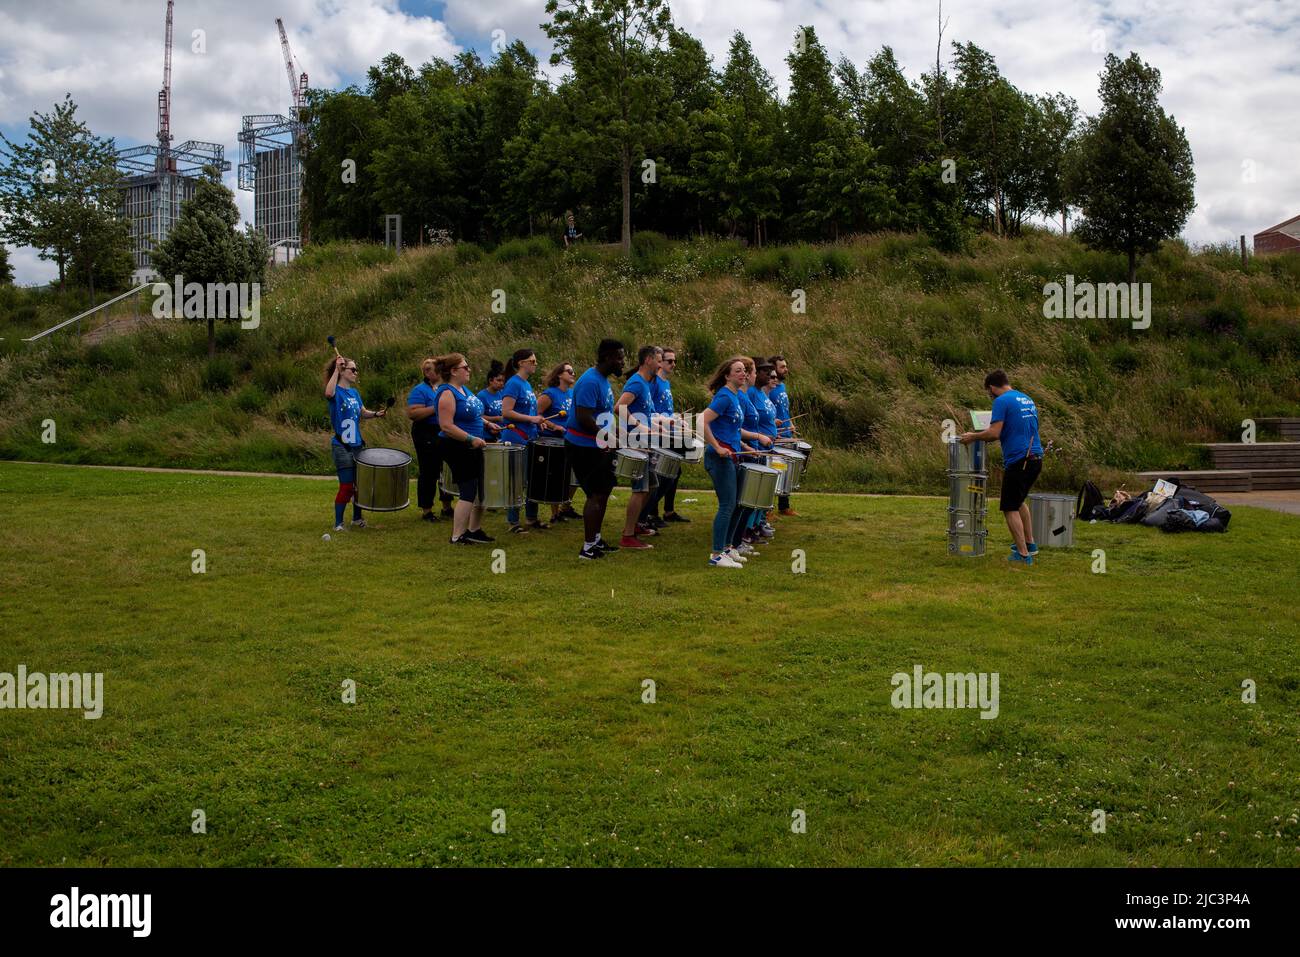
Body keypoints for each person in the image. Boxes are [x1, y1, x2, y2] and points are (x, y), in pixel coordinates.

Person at [960, 369, 1043, 565]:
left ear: (991, 388)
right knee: (1019, 500)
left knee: (1009, 506)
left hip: (1019, 460)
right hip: (1036, 457)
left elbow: (994, 433)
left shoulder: (1001, 401)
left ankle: (1023, 555)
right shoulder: (1026, 398)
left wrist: (973, 436)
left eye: (988, 392)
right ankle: (1030, 544)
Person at [564, 339, 625, 560]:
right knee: (596, 494)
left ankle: (596, 539)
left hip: (596, 444)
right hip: (583, 446)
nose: (622, 362)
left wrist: (613, 434)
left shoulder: (602, 380)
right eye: (619, 358)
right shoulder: (590, 381)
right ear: (608, 358)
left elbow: (601, 415)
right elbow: (583, 418)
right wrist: (607, 437)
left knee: (603, 492)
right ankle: (588, 548)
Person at [699, 356, 756, 568]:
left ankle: (727, 547)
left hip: (734, 456)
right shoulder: (724, 396)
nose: (744, 374)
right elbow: (702, 420)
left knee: (738, 504)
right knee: (727, 505)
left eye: (744, 371)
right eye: (738, 371)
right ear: (727, 375)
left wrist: (747, 447)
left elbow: (733, 428)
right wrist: (716, 446)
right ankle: (716, 554)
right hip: (720, 458)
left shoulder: (735, 397)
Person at [500, 348, 561, 533]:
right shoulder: (513, 384)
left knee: (533, 479)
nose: (535, 364)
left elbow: (529, 412)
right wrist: (531, 419)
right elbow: (506, 412)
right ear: (521, 363)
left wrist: (538, 422)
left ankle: (531, 518)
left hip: (530, 435)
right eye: (532, 361)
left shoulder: (525, 384)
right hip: (516, 437)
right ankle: (513, 522)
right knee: (517, 480)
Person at [324, 355, 386, 532]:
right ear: (343, 371)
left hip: (358, 445)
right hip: (341, 446)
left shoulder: (354, 393)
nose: (356, 373)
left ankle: (357, 519)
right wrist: (336, 369)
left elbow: (362, 412)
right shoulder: (336, 391)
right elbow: (328, 393)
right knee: (346, 486)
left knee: (360, 485)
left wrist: (375, 414)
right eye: (353, 369)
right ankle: (338, 524)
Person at [436, 353, 492, 545]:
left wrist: (486, 423)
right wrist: (470, 439)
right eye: (465, 367)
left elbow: (472, 412)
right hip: (457, 445)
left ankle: (474, 530)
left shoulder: (463, 390)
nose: (469, 370)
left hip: (472, 444)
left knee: (479, 489)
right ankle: (457, 535)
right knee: (468, 489)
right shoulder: (446, 393)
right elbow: (446, 426)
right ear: (453, 371)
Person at [615, 345, 663, 550]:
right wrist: (639, 425)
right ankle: (628, 535)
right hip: (635, 443)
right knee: (640, 489)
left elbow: (647, 412)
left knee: (652, 486)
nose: (661, 365)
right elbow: (619, 407)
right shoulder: (636, 382)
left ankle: (635, 525)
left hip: (644, 442)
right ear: (648, 360)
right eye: (659, 360)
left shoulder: (644, 384)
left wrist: (665, 422)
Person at [641, 346, 687, 528]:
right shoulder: (653, 383)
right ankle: (651, 513)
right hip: (657, 432)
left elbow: (665, 410)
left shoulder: (665, 383)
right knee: (661, 471)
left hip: (668, 430)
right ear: (659, 363)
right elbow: (650, 410)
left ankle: (667, 510)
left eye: (674, 361)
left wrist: (675, 418)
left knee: (673, 471)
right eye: (669, 361)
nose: (673, 364)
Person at [407, 356, 454, 523]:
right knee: (429, 470)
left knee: (445, 469)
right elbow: (413, 413)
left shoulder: (445, 388)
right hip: (425, 432)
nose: (429, 372)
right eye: (426, 369)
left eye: (432, 368)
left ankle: (447, 507)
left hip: (443, 429)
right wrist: (436, 408)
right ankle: (427, 510)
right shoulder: (420, 390)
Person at [538, 362, 580, 523]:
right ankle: (555, 513)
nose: (573, 374)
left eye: (573, 371)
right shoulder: (549, 394)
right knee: (556, 476)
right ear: (559, 375)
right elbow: (537, 415)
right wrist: (554, 426)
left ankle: (565, 506)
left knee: (574, 476)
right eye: (569, 371)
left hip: (569, 439)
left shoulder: (571, 394)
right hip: (552, 440)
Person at [769, 354, 798, 517]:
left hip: (786, 433)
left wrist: (790, 424)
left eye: (786, 366)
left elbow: (784, 409)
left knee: (786, 470)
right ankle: (768, 508)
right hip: (776, 435)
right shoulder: (769, 389)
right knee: (776, 469)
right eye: (782, 367)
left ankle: (784, 505)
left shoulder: (782, 387)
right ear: (774, 369)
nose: (786, 369)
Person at [477, 360, 508, 441]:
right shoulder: (482, 395)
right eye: (498, 380)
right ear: (490, 380)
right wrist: (497, 418)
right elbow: (479, 416)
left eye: (503, 381)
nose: (501, 383)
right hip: (487, 436)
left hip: (501, 435)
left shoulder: (502, 394)